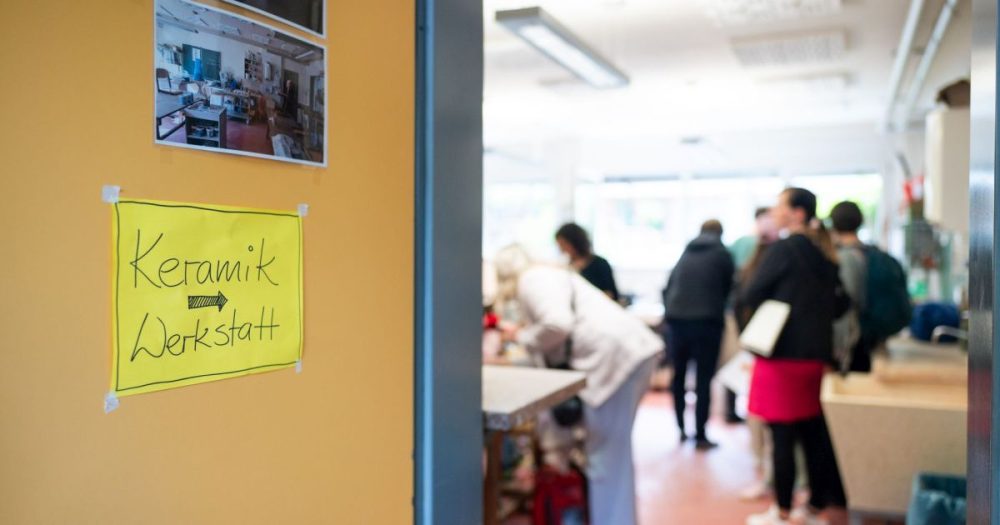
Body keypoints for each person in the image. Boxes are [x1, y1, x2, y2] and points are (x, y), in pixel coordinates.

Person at [494, 244, 663, 525]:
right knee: (611, 456)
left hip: (614, 361)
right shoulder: (547, 274)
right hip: (623, 356)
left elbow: (558, 324)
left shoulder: (532, 279)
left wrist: (522, 337)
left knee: (606, 459)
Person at [742, 188, 849, 525]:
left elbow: (750, 292)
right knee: (810, 434)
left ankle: (782, 511)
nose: (774, 209)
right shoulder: (824, 253)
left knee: (782, 436)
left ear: (798, 213)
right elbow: (839, 303)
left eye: (780, 204)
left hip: (782, 356)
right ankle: (815, 507)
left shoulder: (784, 249)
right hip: (815, 357)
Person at [662, 220, 735, 449]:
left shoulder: (686, 252)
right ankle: (701, 434)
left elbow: (669, 286)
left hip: (676, 322)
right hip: (707, 323)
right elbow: (728, 289)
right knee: (704, 379)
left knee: (679, 377)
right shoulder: (722, 254)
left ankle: (681, 429)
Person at [830, 201, 871, 372]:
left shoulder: (844, 257)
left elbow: (848, 300)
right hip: (869, 332)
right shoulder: (869, 253)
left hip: (853, 336)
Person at [555, 223, 620, 302]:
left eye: (563, 244)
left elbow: (611, 294)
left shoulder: (600, 264)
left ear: (574, 242)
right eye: (559, 245)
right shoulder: (566, 266)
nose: (562, 249)